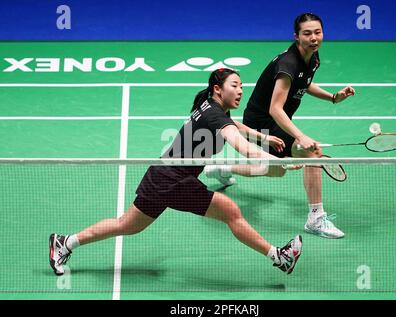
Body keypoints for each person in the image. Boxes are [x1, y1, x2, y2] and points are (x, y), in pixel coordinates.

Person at [49, 68, 302, 277]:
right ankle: (279, 257)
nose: (240, 91)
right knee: (231, 212)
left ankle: (66, 242)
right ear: (217, 89)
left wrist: (264, 138)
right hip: (174, 181)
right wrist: (282, 162)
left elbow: (234, 125)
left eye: (241, 86)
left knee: (127, 224)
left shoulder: (208, 106)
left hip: (161, 174)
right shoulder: (215, 116)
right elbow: (245, 149)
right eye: (234, 85)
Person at [205, 13, 355, 239]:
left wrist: (333, 97)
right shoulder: (288, 64)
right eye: (307, 34)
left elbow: (304, 82)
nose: (314, 38)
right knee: (312, 152)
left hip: (274, 120)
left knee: (273, 171)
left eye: (317, 32)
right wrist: (301, 137)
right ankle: (316, 218)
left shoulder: (312, 58)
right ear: (296, 37)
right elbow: (276, 108)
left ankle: (223, 168)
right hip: (262, 121)